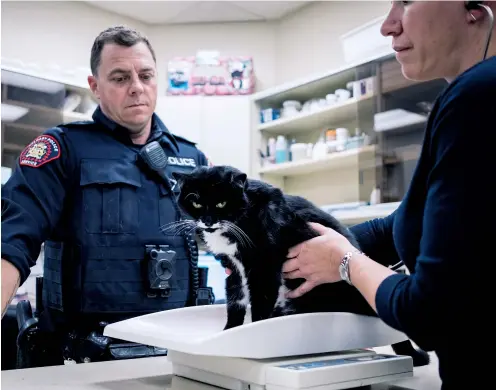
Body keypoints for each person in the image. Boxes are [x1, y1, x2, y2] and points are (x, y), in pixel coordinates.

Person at [281, 1, 495, 389]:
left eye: (407, 2)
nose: (387, 26)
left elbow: (430, 311)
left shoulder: (479, 95)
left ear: (476, 8)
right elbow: (398, 227)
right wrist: (292, 253)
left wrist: (345, 263)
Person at [1, 25, 211, 366]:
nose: (137, 88)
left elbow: (239, 235)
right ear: (95, 87)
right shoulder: (62, 149)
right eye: (120, 78)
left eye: (145, 75)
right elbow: (11, 243)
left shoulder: (191, 159)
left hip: (178, 354)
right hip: (84, 359)